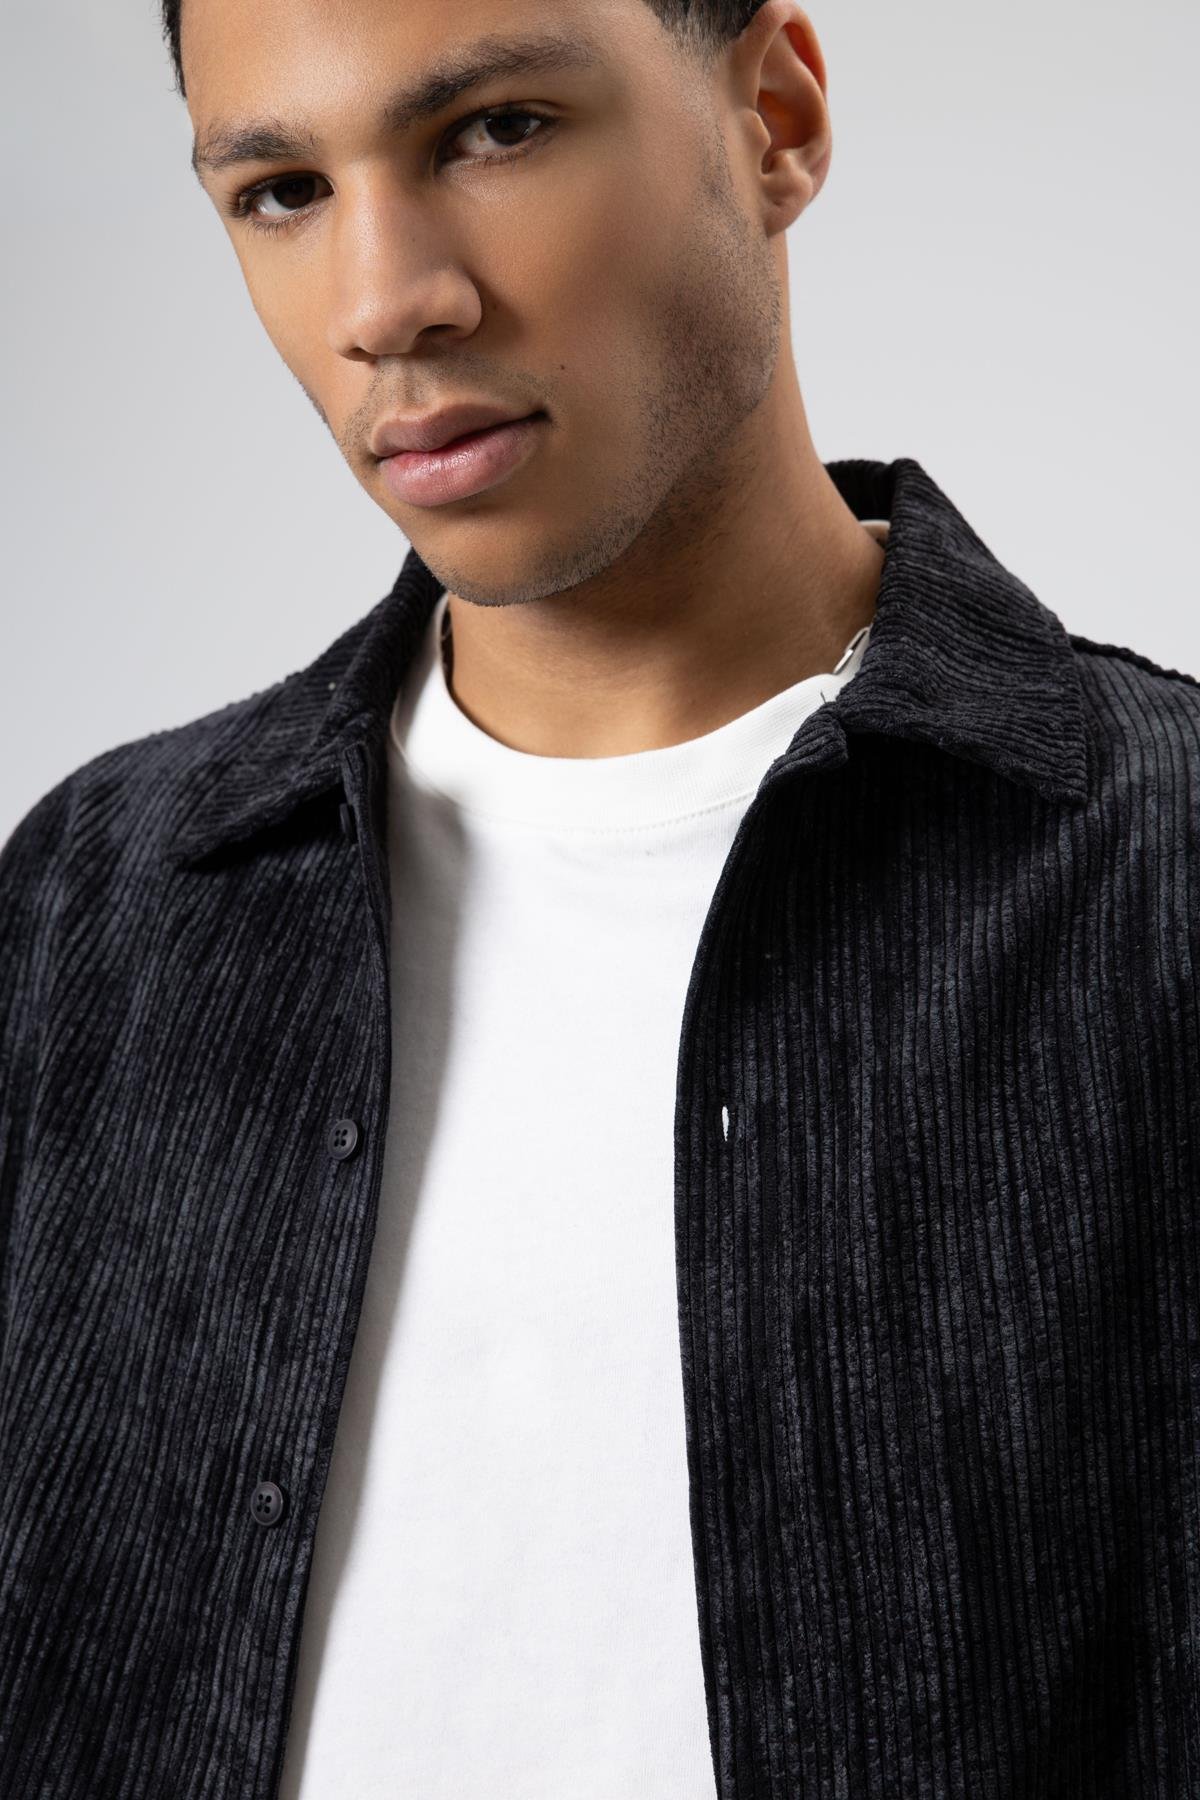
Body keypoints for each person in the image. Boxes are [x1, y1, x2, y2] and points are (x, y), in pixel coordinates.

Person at [1, 0, 1197, 1795]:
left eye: (495, 129)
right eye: (282, 191)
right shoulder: (93, 911)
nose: (385, 301)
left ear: (774, 118)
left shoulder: (1159, 880)